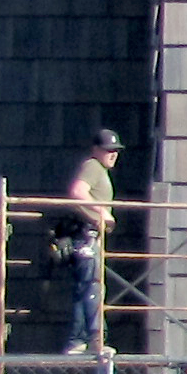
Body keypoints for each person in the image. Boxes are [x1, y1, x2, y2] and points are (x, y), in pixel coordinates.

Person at [55, 128, 120, 354]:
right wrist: (103, 213)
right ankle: (93, 340)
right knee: (92, 286)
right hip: (87, 235)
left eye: (115, 150)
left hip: (88, 235)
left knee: (86, 287)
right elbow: (78, 191)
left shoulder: (99, 168)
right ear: (96, 150)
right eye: (108, 150)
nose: (113, 154)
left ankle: (78, 340)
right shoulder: (93, 166)